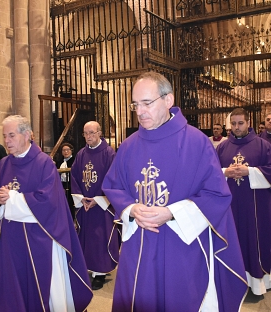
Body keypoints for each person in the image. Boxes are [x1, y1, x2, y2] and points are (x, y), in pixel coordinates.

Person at [102, 72, 247, 312]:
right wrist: (131, 208)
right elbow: (113, 186)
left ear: (168, 100)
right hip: (139, 246)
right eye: (135, 105)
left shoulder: (197, 142)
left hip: (181, 248)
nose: (139, 112)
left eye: (147, 103)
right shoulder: (128, 145)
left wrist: (171, 212)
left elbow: (216, 195)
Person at [0, 115, 92, 312]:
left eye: (11, 135)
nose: (7, 141)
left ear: (28, 134)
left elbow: (47, 202)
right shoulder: (4, 163)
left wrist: (11, 198)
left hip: (38, 237)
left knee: (37, 286)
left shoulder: (44, 163)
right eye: (5, 136)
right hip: (9, 240)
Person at [216, 108, 271, 297]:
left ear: (248, 123)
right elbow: (210, 172)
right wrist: (225, 172)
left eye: (240, 123)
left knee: (252, 241)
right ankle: (232, 280)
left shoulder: (263, 146)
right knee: (232, 241)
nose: (236, 127)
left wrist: (251, 172)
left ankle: (256, 283)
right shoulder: (222, 147)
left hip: (255, 207)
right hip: (229, 207)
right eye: (233, 124)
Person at [70, 121, 120, 290]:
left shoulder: (109, 153)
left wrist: (98, 200)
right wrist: (81, 198)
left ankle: (100, 272)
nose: (88, 136)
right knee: (86, 237)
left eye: (92, 133)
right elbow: (75, 176)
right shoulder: (81, 154)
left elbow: (112, 178)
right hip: (85, 203)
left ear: (99, 133)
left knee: (100, 238)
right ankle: (89, 269)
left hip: (101, 206)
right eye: (85, 133)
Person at [56, 143, 76, 219]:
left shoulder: (74, 161)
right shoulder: (59, 161)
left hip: (71, 184)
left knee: (70, 203)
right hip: (62, 185)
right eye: (64, 150)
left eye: (67, 150)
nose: (66, 152)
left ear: (71, 151)